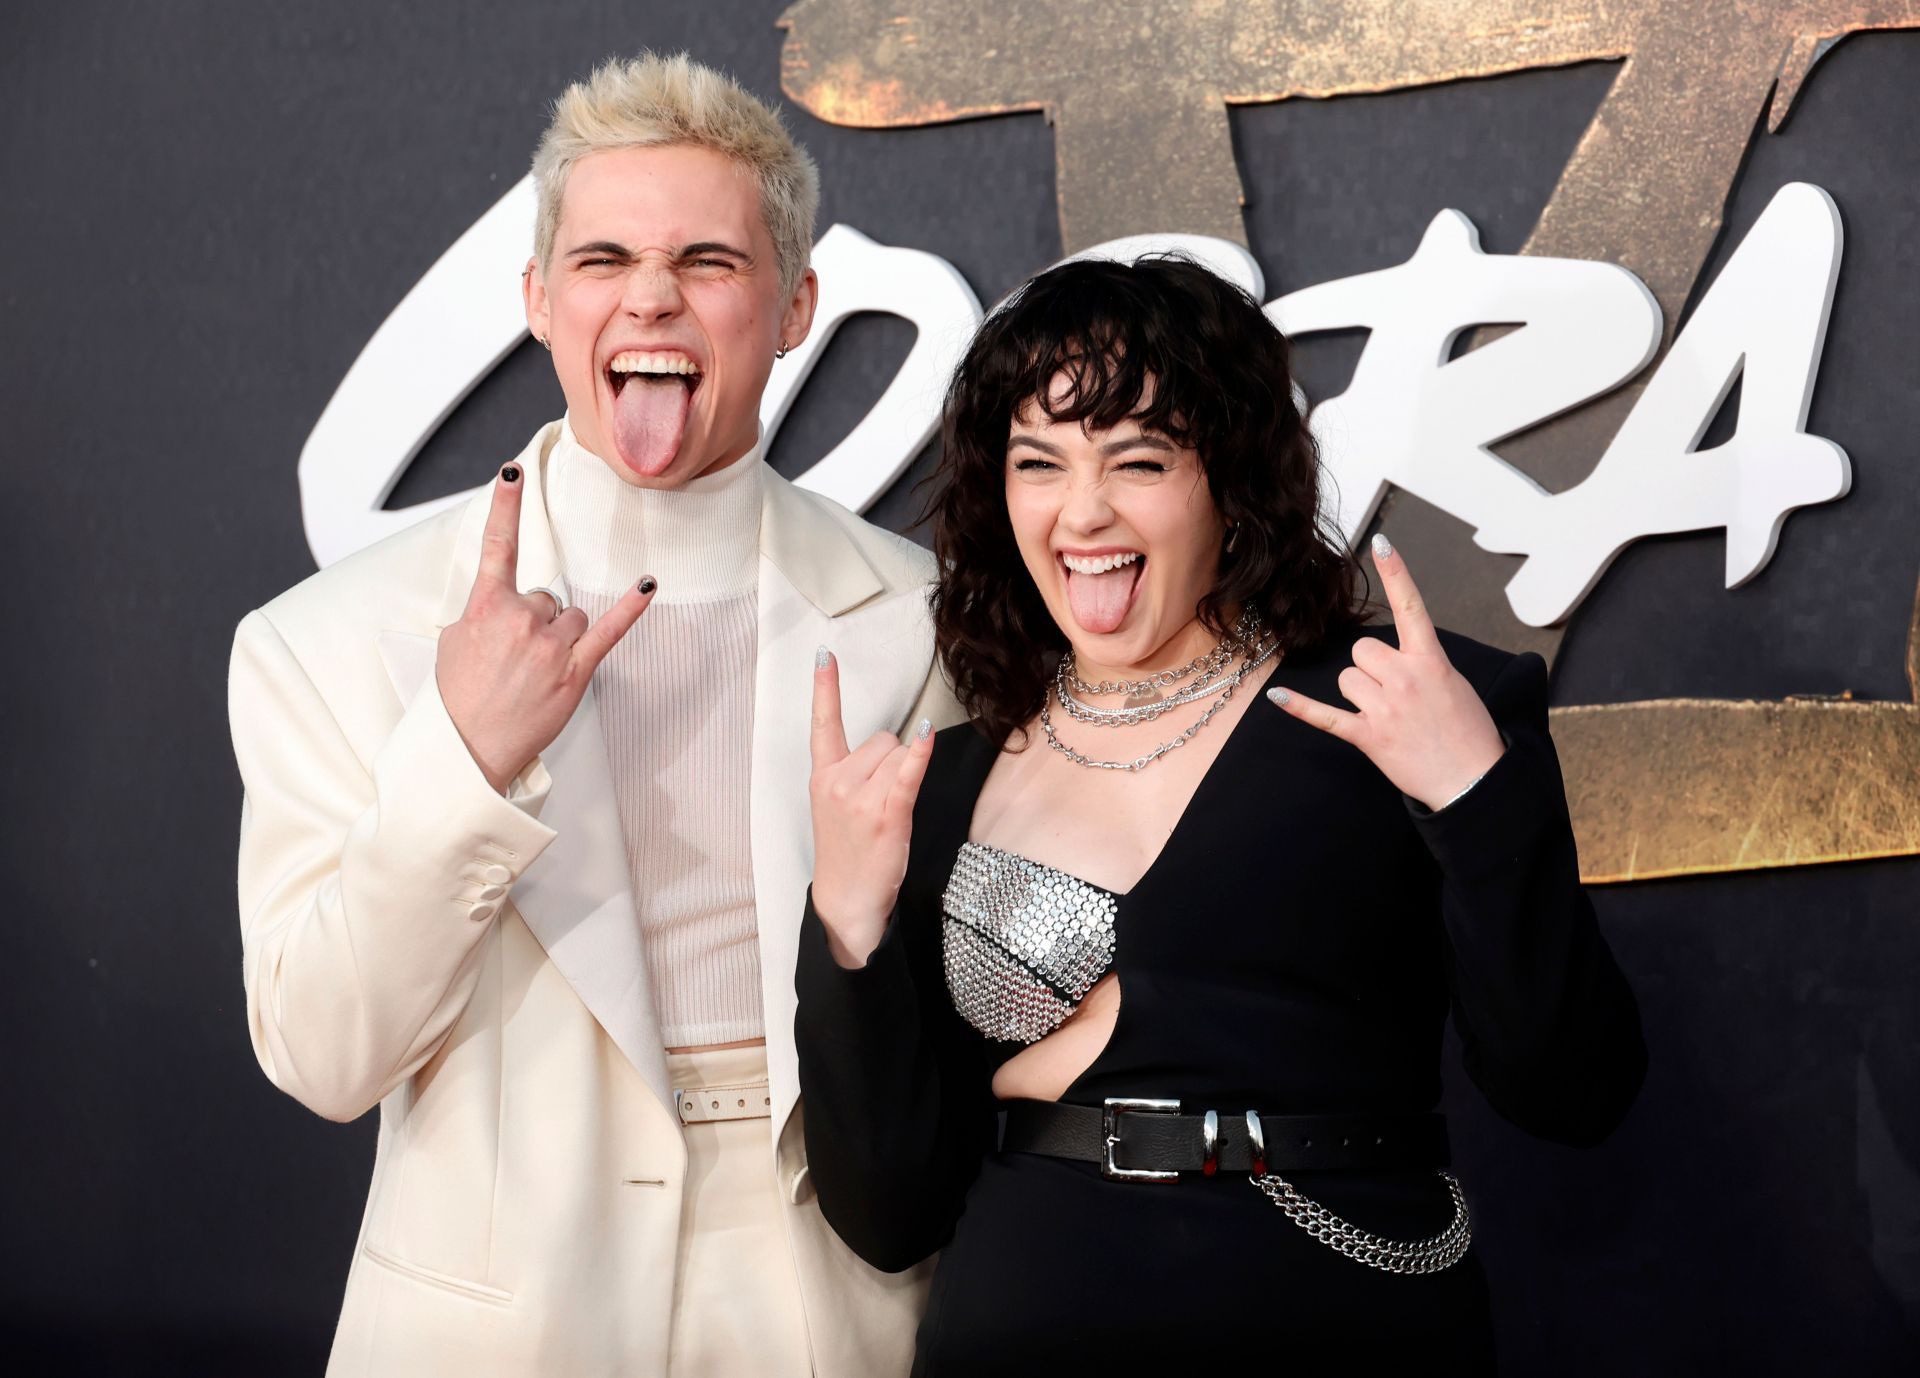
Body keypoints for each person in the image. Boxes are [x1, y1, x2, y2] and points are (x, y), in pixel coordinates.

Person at [227, 53, 957, 1376]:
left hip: (823, 1293)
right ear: (539, 300)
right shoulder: (329, 640)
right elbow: (326, 1056)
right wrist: (463, 758)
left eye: (710, 262)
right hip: (500, 1317)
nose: (652, 296)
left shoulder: (922, 620)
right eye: (605, 257)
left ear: (795, 307)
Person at [794, 255, 1647, 1372]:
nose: (1082, 509)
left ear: (1231, 481)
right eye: (1037, 463)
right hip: (1024, 1323)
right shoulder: (945, 778)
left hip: (1338, 1320)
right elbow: (888, 1211)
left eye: (1138, 459)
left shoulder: (1403, 701)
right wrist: (848, 927)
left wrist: (1474, 798)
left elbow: (1573, 1089)